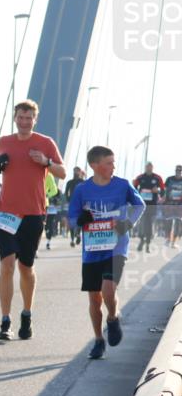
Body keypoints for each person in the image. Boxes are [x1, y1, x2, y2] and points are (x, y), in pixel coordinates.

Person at [0, 99, 65, 340]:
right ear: (15, 118)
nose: (24, 122)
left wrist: (46, 162)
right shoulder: (5, 141)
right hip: (5, 213)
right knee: (7, 264)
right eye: (20, 117)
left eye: (28, 118)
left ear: (35, 120)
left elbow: (62, 172)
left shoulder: (45, 143)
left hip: (33, 213)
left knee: (26, 267)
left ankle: (27, 314)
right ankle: (5, 321)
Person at [68, 146, 145, 359]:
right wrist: (80, 220)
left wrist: (126, 224)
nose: (113, 166)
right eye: (109, 163)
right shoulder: (82, 189)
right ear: (95, 165)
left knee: (108, 291)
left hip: (117, 247)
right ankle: (98, 341)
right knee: (94, 299)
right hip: (92, 249)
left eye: (114, 162)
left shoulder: (122, 185)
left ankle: (112, 318)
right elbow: (72, 218)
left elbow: (140, 206)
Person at [132, 162, 164, 253]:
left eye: (150, 167)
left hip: (152, 205)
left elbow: (163, 191)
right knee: (142, 223)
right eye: (147, 167)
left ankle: (148, 244)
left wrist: (157, 191)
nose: (149, 168)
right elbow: (133, 189)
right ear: (145, 168)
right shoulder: (140, 177)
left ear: (152, 168)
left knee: (149, 224)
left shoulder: (157, 178)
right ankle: (142, 240)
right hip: (142, 205)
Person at [64, 166, 86, 246]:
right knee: (72, 221)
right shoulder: (69, 182)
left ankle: (78, 234)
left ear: (80, 172)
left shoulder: (83, 181)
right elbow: (66, 193)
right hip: (72, 204)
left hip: (81, 204)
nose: (75, 172)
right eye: (74, 171)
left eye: (77, 171)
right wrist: (69, 200)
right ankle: (72, 239)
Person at [162, 165, 182, 249]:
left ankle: (173, 242)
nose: (178, 172)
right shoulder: (169, 179)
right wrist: (163, 197)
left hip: (179, 205)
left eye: (180, 171)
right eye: (177, 170)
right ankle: (167, 239)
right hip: (169, 204)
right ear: (175, 171)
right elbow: (164, 190)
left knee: (177, 223)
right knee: (168, 222)